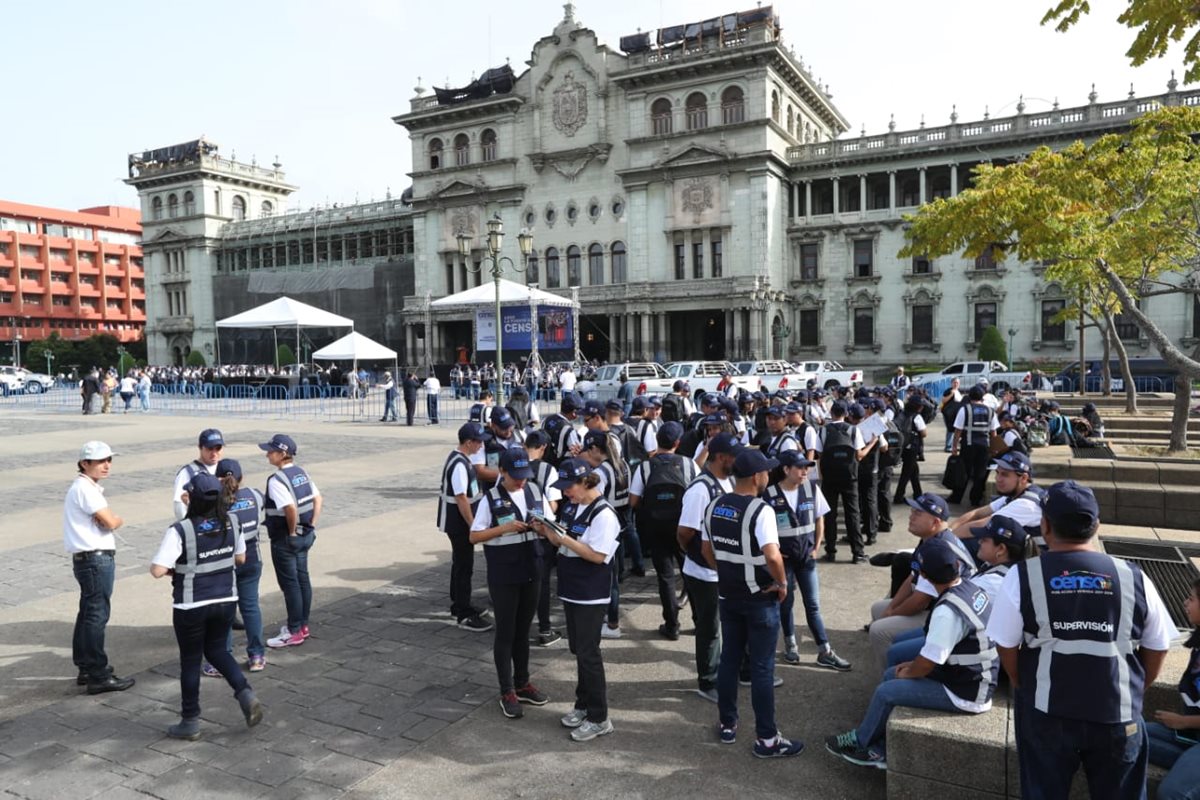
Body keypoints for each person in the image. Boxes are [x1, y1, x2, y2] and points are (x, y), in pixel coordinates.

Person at [987, 481, 1176, 800]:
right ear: (1096, 525)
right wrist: (1135, 687)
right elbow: (1158, 646)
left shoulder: (1022, 576)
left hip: (1047, 712)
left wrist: (1024, 684)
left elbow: (1005, 645)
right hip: (1117, 713)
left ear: (1045, 525)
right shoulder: (1134, 576)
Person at [826, 538, 998, 770]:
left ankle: (862, 744)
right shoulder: (968, 587)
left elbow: (927, 663)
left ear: (925, 577)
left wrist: (908, 672)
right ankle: (878, 739)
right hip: (971, 675)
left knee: (887, 690)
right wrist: (908, 668)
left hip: (967, 692)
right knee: (892, 671)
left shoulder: (947, 612)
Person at [701, 448, 805, 758]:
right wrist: (782, 582)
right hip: (760, 598)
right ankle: (767, 739)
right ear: (757, 476)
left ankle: (727, 723)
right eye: (766, 472)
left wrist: (725, 571)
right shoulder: (762, 511)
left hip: (728, 595)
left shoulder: (714, 505)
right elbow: (773, 555)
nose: (768, 476)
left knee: (730, 660)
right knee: (761, 668)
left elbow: (706, 550)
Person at [149, 472, 263, 740]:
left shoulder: (181, 529)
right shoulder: (233, 522)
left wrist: (182, 569)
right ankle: (244, 692)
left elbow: (157, 570)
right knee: (217, 651)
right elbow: (241, 558)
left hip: (191, 604)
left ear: (194, 499)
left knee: (190, 661)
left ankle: (190, 721)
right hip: (225, 600)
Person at [530, 458, 620, 743]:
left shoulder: (604, 515)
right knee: (579, 651)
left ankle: (599, 717)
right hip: (572, 590)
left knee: (589, 654)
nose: (566, 493)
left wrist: (564, 539)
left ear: (585, 482)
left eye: (569, 487)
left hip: (590, 594)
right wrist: (544, 529)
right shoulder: (573, 506)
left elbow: (597, 555)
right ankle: (583, 705)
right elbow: (560, 539)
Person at [471, 449, 553, 719]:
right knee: (506, 633)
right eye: (516, 477)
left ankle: (523, 682)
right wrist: (503, 529)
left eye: (525, 476)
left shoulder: (534, 491)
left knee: (523, 631)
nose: (521, 482)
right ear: (502, 472)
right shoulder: (490, 499)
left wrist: (543, 528)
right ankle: (506, 690)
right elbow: (475, 536)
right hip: (504, 575)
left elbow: (550, 525)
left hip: (532, 570)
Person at [867, 493, 975, 672]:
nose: (911, 516)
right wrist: (891, 608)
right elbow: (912, 578)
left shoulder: (940, 547)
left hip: (951, 618)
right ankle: (891, 665)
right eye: (912, 511)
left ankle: (890, 680)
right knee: (878, 609)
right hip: (937, 607)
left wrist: (891, 613)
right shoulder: (931, 539)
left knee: (879, 631)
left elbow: (919, 601)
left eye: (918, 513)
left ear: (935, 521)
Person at [764, 451, 851, 671]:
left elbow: (820, 517)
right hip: (784, 561)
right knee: (786, 603)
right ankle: (790, 644)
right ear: (786, 470)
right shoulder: (769, 494)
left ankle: (825, 650)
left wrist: (817, 545)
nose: (806, 471)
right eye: (800, 467)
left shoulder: (812, 489)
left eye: (807, 467)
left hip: (806, 558)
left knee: (813, 605)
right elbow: (761, 527)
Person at [64, 441, 134, 694]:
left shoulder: (85, 487)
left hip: (88, 558)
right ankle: (97, 672)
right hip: (95, 558)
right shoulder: (86, 489)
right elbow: (110, 521)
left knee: (88, 612)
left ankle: (86, 666)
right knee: (96, 614)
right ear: (85, 464)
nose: (106, 465)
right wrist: (116, 519)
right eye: (100, 461)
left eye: (109, 460)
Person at [677, 432, 740, 702]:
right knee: (709, 628)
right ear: (722, 457)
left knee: (722, 625)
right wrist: (693, 553)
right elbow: (685, 531)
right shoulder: (700, 489)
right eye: (734, 456)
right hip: (703, 572)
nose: (738, 461)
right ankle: (708, 680)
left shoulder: (728, 482)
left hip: (722, 570)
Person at [629, 421, 697, 639]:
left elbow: (633, 501)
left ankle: (672, 624)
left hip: (656, 528)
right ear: (678, 442)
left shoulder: (645, 466)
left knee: (665, 577)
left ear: (657, 440)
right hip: (683, 527)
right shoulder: (690, 464)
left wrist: (649, 512)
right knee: (691, 575)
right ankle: (700, 621)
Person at [260, 435, 324, 648]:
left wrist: (291, 533)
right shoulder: (301, 473)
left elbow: (290, 509)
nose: (267, 454)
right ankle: (303, 625)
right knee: (302, 579)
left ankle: (294, 630)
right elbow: (318, 499)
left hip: (286, 539)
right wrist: (311, 526)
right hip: (306, 535)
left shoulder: (277, 480)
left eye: (271, 451)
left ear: (282, 454)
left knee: (290, 585)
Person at [1144, 577, 1200, 800]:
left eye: (1192, 598)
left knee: (1172, 793)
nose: (1185, 603)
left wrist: (1183, 721)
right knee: (1128, 734)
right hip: (1192, 736)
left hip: (1189, 728)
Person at [437, 423, 493, 632]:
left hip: (458, 522)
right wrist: (473, 526)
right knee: (464, 565)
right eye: (479, 442)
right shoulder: (460, 464)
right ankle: (463, 611)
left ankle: (460, 602)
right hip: (459, 523)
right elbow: (461, 498)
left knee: (460, 563)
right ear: (469, 442)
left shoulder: (461, 460)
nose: (481, 445)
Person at [215, 459, 266, 673]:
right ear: (241, 477)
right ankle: (256, 656)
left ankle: (223, 659)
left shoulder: (215, 502)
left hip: (227, 560)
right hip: (252, 557)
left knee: (225, 611)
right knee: (251, 607)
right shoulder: (255, 495)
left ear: (217, 479)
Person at [949, 451, 1045, 551]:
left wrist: (946, 539)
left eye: (1005, 475)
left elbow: (981, 526)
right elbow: (977, 513)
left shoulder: (1025, 504)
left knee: (970, 545)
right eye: (998, 473)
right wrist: (949, 530)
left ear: (1024, 478)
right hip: (1023, 555)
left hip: (1036, 562)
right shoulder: (1015, 493)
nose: (998, 479)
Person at [524, 430, 563, 647]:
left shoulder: (509, 466)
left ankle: (518, 624)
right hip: (541, 533)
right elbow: (554, 504)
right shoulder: (549, 470)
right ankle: (545, 629)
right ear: (544, 448)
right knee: (542, 581)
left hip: (516, 531)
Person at [819, 401, 870, 564]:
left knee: (830, 515)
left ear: (831, 413)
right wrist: (873, 442)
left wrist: (822, 476)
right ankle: (858, 553)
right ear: (846, 414)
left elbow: (819, 456)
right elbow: (859, 455)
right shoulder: (853, 430)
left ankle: (830, 551)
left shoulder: (823, 431)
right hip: (850, 477)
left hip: (829, 478)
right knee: (853, 514)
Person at [948, 386, 998, 507]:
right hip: (984, 446)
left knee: (964, 472)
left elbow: (958, 430)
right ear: (982, 397)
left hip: (968, 445)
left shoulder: (965, 410)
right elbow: (993, 433)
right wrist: (994, 448)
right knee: (980, 473)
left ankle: (957, 497)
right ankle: (975, 499)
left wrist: (954, 447)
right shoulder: (990, 411)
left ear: (969, 397)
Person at [173, 429, 224, 520]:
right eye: (210, 448)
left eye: (218, 448)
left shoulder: (226, 468)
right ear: (200, 448)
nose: (214, 453)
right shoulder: (187, 472)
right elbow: (179, 506)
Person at [892, 396, 928, 504]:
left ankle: (918, 494)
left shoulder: (901, 414)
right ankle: (898, 496)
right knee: (906, 473)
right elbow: (924, 433)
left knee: (914, 471)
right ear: (918, 407)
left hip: (903, 446)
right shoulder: (917, 417)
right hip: (913, 447)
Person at [939, 377, 964, 452]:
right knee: (950, 429)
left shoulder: (958, 391)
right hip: (948, 414)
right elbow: (943, 400)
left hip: (956, 413)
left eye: (957, 383)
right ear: (952, 383)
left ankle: (953, 445)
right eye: (954, 382)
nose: (956, 384)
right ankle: (948, 446)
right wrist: (951, 394)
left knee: (955, 429)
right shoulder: (949, 391)